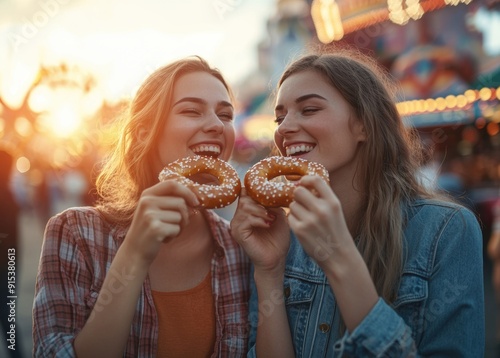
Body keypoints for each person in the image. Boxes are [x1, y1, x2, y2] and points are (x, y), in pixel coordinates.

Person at [230, 49, 485, 357]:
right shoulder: (283, 238)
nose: (283, 130)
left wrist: (340, 259)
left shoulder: (446, 230)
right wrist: (268, 272)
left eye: (309, 109)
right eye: (280, 117)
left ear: (364, 124)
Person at [32, 56, 251, 357]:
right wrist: (134, 254)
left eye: (225, 115)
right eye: (191, 111)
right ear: (145, 131)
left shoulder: (241, 248)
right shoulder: (75, 234)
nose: (216, 125)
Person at [0, 149, 24, 358]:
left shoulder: (6, 197)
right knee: (8, 315)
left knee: (7, 315)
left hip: (6, 263)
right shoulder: (9, 194)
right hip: (9, 262)